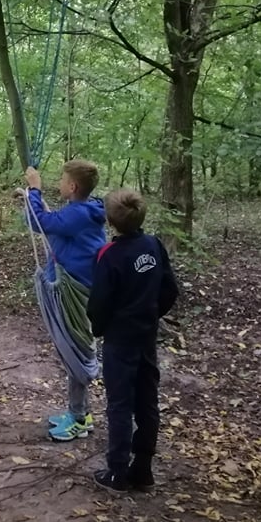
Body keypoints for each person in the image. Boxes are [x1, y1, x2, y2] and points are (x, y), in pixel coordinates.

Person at [87, 189, 179, 493]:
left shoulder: (109, 255)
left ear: (110, 221)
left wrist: (99, 329)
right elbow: (169, 289)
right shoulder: (153, 245)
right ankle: (142, 469)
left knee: (120, 404)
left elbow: (98, 303)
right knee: (146, 400)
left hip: (120, 341)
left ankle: (118, 473)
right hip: (145, 337)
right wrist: (151, 315)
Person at [23, 161, 106, 441]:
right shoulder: (81, 211)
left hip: (76, 292)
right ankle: (81, 411)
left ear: (72, 187)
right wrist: (32, 198)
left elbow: (38, 223)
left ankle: (78, 419)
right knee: (74, 349)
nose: (58, 182)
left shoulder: (79, 215)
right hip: (76, 288)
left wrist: (34, 189)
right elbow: (53, 225)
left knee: (75, 351)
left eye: (61, 179)